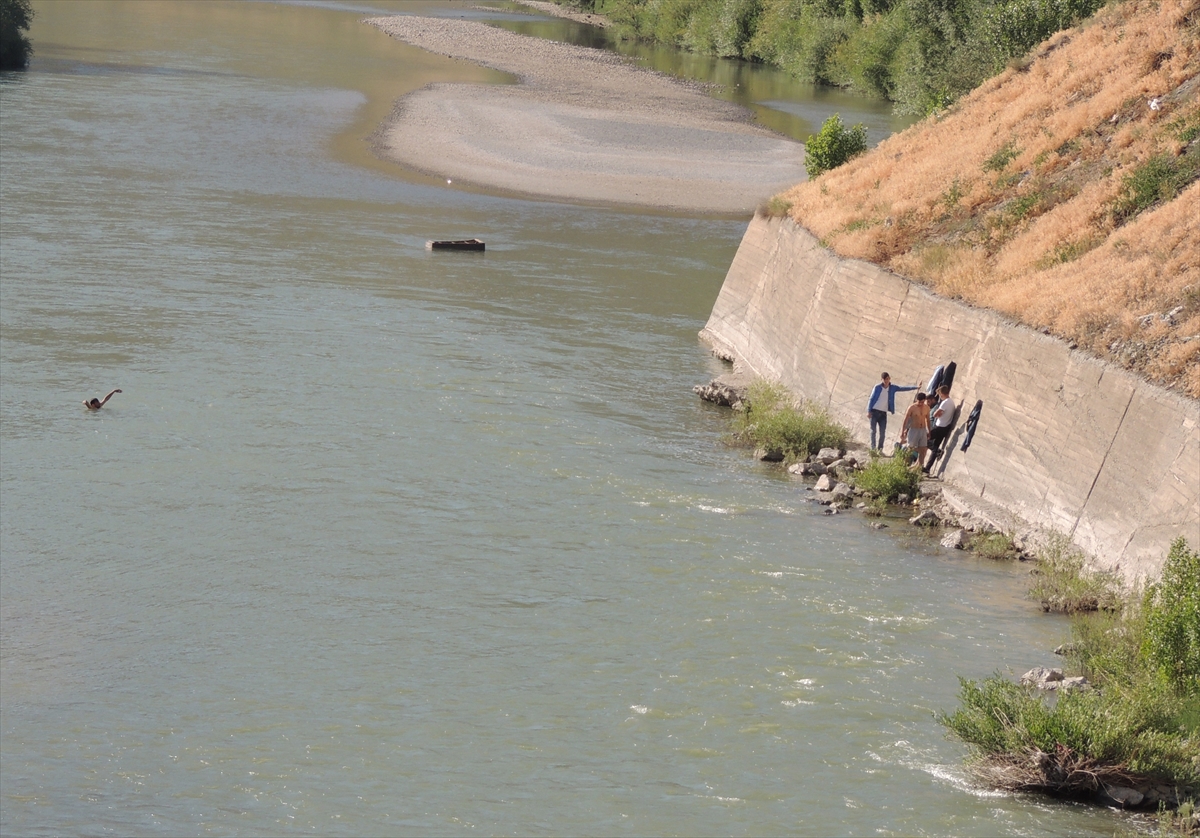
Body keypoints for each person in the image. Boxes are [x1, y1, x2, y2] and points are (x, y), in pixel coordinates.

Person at [866, 372, 917, 452]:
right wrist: (869, 411)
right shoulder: (877, 387)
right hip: (874, 412)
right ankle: (873, 449)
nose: (886, 381)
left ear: (889, 379)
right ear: (882, 379)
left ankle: (880, 450)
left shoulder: (892, 388)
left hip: (883, 413)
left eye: (888, 379)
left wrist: (916, 387)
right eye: (885, 379)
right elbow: (871, 399)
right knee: (873, 431)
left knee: (882, 433)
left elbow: (902, 388)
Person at [924, 385, 955, 473]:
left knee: (923, 439)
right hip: (945, 428)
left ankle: (935, 454)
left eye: (939, 394)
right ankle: (927, 468)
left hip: (939, 427)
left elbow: (935, 414)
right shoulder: (951, 402)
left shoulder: (945, 402)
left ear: (942, 394)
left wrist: (937, 415)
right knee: (935, 447)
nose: (939, 396)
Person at [901, 393, 931, 470]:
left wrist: (929, 431)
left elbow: (927, 420)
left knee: (923, 449)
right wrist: (903, 431)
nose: (920, 404)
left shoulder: (926, 408)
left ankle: (919, 468)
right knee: (910, 448)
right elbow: (906, 420)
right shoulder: (912, 408)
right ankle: (905, 466)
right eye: (919, 402)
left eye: (922, 402)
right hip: (914, 429)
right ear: (917, 400)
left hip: (923, 429)